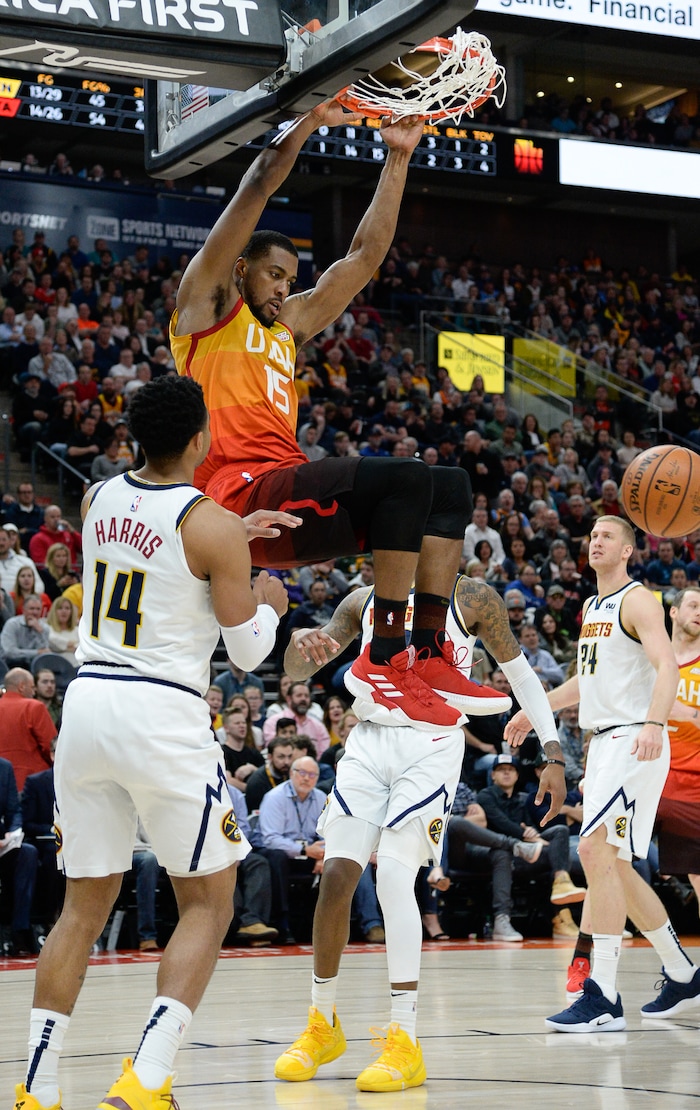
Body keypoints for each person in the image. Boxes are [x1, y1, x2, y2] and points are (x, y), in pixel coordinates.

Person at [170, 99, 496, 733]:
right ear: (242, 271)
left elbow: (363, 261)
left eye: (289, 279)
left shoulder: (288, 327)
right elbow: (258, 183)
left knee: (450, 487)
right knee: (405, 476)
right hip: (239, 500)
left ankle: (426, 652)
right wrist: (310, 123)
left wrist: (398, 155)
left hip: (289, 493)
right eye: (271, 276)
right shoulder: (206, 310)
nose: (282, 289)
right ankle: (384, 656)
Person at [13, 375, 292, 1110]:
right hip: (161, 712)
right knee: (209, 902)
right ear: (201, 439)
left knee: (81, 908)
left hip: (90, 702)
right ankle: (147, 1076)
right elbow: (248, 652)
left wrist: (232, 536)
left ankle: (37, 1087)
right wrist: (267, 596)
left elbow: (159, 545)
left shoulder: (96, 498)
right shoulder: (213, 526)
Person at [273, 573, 566, 1090]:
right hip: (368, 741)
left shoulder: (470, 596)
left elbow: (519, 674)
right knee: (338, 874)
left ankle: (404, 1039)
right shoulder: (365, 598)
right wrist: (297, 646)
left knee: (393, 878)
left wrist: (553, 751)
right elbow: (301, 665)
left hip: (432, 744)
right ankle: (323, 1022)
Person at [506, 516, 700, 1032]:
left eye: (607, 536)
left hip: (634, 736)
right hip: (604, 741)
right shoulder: (593, 606)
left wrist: (656, 723)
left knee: (593, 852)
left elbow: (668, 666)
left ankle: (605, 994)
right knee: (609, 863)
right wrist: (537, 708)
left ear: (629, 551)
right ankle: (681, 970)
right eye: (592, 535)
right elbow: (585, 681)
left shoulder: (639, 600)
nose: (595, 541)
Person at [655, 586, 700, 913]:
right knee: (604, 852)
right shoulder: (649, 659)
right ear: (673, 612)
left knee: (698, 875)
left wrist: (688, 713)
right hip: (650, 775)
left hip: (691, 784)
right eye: (694, 605)